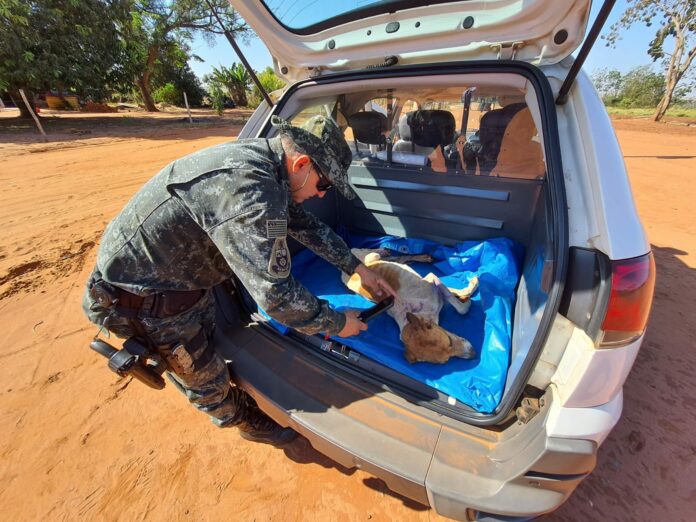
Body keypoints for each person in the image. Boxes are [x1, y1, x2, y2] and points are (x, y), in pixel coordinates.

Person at [83, 115, 396, 446]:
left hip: (182, 278)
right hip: (144, 297)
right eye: (325, 184)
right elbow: (276, 297)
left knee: (208, 342)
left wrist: (355, 266)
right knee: (202, 374)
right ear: (302, 163)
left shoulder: (269, 166)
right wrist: (335, 322)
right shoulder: (252, 194)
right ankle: (242, 418)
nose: (322, 195)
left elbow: (304, 226)